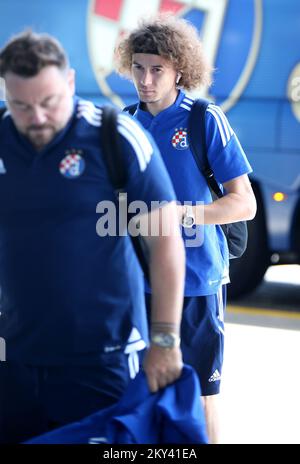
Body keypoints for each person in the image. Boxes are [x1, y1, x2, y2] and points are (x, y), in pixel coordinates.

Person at [0, 30, 186, 444]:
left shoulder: (114, 137)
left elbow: (166, 240)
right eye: (21, 106)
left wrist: (165, 339)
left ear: (69, 82)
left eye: (48, 102)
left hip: (103, 361)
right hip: (14, 359)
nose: (38, 118)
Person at [115, 14, 257, 444]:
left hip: (197, 280)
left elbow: (244, 204)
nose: (145, 78)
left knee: (201, 395)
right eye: (138, 66)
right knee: (138, 395)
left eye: (157, 68)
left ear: (179, 69)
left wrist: (182, 214)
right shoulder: (123, 124)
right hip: (137, 284)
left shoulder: (203, 120)